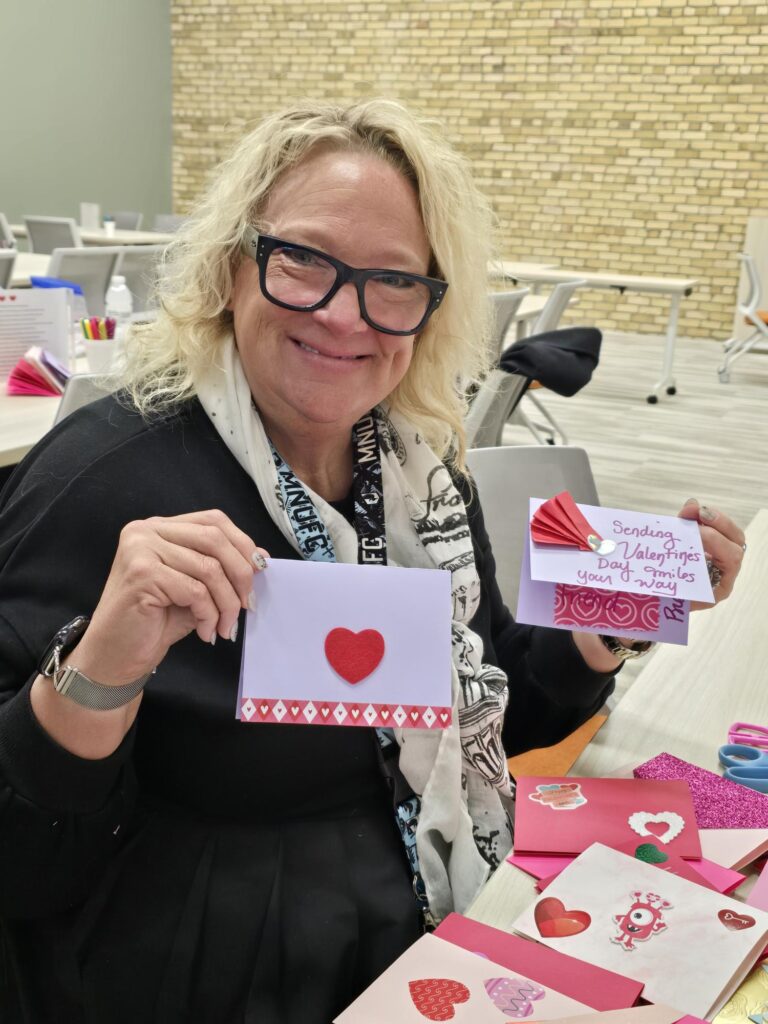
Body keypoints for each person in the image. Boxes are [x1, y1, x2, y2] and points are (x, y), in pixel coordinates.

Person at [0, 100, 744, 1024]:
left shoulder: (417, 473)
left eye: (393, 280)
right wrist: (100, 673)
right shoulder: (102, 481)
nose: (345, 315)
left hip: (433, 920)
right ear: (234, 267)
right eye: (303, 261)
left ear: (430, 306)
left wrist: (614, 616)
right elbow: (21, 861)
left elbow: (495, 703)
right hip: (195, 966)